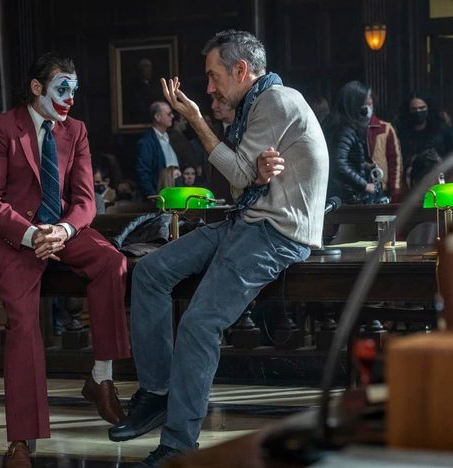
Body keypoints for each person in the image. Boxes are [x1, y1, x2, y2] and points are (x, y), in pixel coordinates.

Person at [108, 30, 328, 467]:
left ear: (241, 70)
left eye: (214, 76)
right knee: (149, 272)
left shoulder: (276, 101)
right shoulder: (254, 105)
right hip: (246, 220)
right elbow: (242, 181)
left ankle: (178, 445)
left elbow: (239, 177)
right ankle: (158, 392)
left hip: (277, 233)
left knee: (199, 324)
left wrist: (195, 119)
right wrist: (251, 171)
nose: (209, 87)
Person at [0, 52, 130, 467]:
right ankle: (22, 441)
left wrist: (62, 231)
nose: (70, 98)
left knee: (112, 261)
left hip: (62, 231)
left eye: (75, 90)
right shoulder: (1, 127)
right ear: (37, 87)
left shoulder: (76, 130)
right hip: (15, 237)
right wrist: (32, 235)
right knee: (23, 327)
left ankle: (101, 378)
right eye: (62, 88)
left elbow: (86, 201)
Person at [324, 81, 384, 204]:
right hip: (346, 196)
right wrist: (364, 185)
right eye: (365, 103)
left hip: (342, 194)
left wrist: (363, 165)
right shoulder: (345, 129)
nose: (369, 108)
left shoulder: (339, 124)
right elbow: (338, 163)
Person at [396, 92, 453, 186]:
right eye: (414, 109)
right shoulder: (402, 133)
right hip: (413, 180)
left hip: (441, 176)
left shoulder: (441, 129)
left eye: (422, 108)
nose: (418, 112)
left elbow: (452, 152)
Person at [135, 101, 180, 198]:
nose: (172, 116)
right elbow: (143, 173)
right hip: (159, 195)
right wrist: (153, 196)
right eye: (168, 114)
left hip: (176, 192)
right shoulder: (146, 142)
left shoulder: (173, 137)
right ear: (157, 117)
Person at [366, 92, 404, 202]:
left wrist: (395, 190)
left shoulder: (385, 128)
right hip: (360, 186)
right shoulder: (351, 128)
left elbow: (395, 161)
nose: (366, 107)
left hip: (382, 187)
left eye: (369, 103)